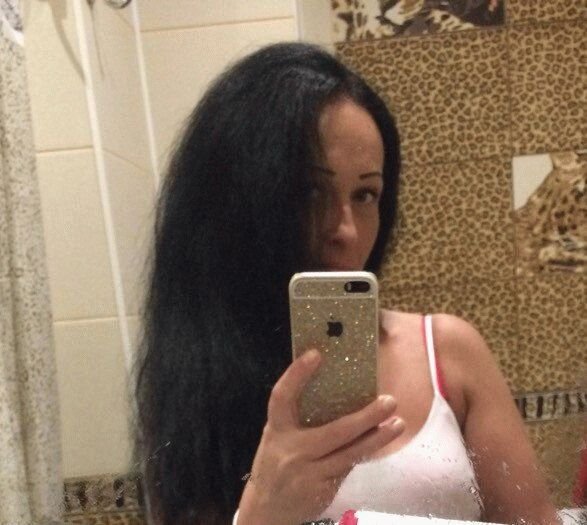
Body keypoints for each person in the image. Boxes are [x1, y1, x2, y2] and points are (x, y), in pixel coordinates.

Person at [134, 42, 560, 525]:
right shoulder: (194, 387)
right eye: (311, 190)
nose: (346, 230)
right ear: (237, 199)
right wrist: (260, 512)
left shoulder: (447, 352)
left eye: (365, 194)